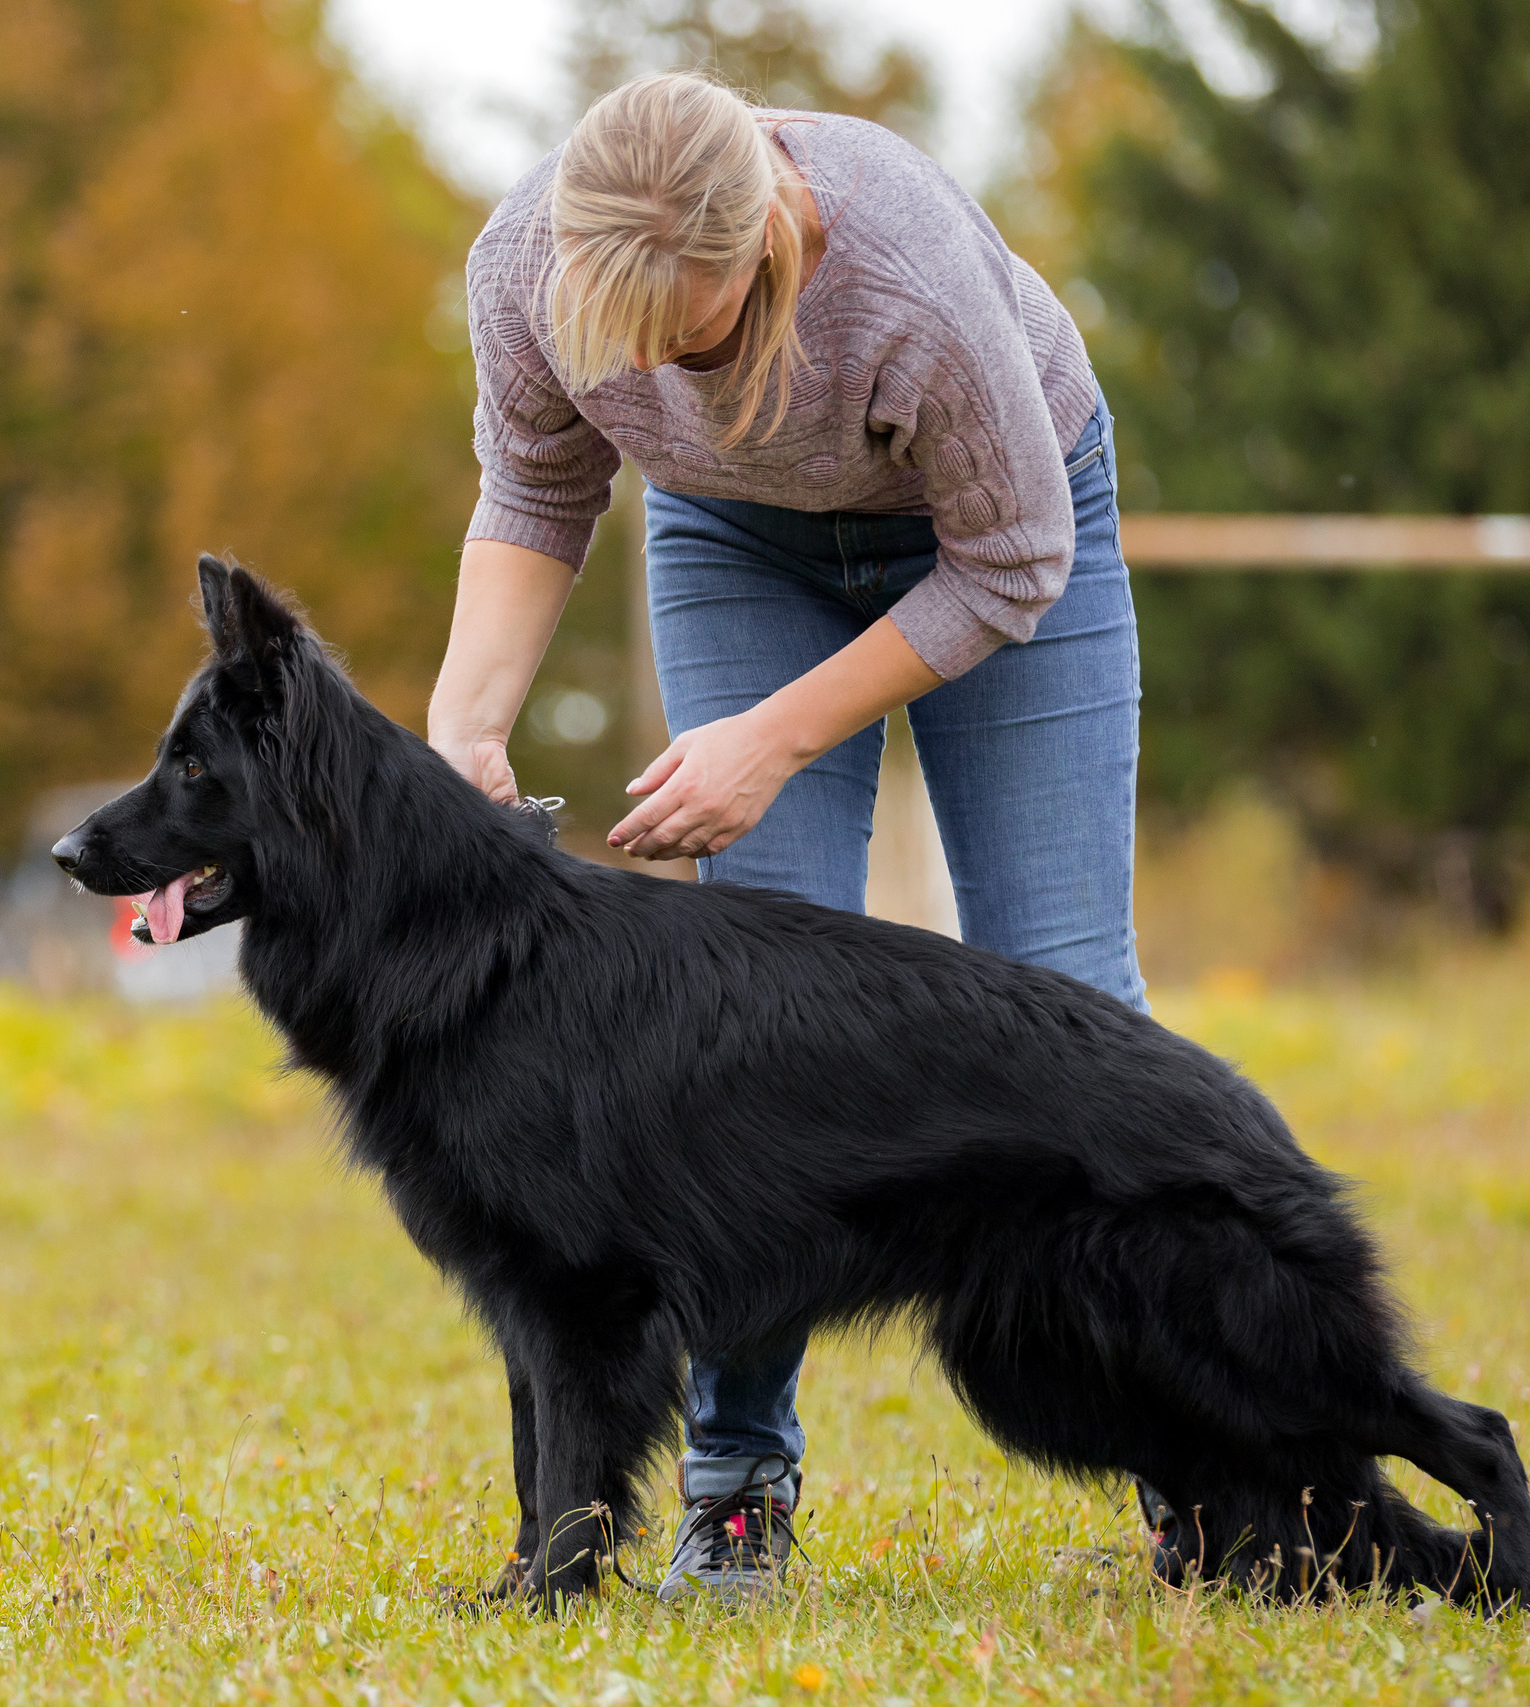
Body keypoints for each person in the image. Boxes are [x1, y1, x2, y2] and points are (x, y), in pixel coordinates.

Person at [426, 69, 1149, 1605]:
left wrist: (772, 737)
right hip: (736, 540)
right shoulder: (519, 265)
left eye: (686, 334)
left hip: (1004, 538)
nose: (656, 367)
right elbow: (539, 484)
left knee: (1067, 988)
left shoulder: (902, 279)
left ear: (761, 240)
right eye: (624, 338)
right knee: (732, 1034)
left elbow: (1013, 562)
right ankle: (738, 1481)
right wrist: (464, 729)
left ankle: (1192, 1453)